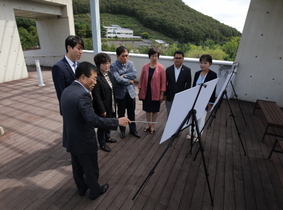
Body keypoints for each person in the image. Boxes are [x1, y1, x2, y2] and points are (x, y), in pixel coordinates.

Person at [60, 61, 130, 200]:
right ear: (82, 77)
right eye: (93, 78)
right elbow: (93, 120)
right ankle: (95, 191)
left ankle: (81, 189)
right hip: (84, 140)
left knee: (77, 166)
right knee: (90, 168)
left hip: (71, 138)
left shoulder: (67, 90)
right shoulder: (82, 95)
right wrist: (116, 121)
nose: (95, 82)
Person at [110, 46, 141, 139]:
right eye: (123, 56)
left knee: (131, 113)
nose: (125, 58)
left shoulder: (130, 63)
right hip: (120, 94)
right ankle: (122, 130)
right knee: (121, 113)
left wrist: (123, 76)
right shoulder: (113, 66)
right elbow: (117, 79)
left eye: (127, 55)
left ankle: (133, 130)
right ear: (117, 56)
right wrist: (129, 80)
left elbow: (134, 74)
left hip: (130, 93)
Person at [186, 54, 217, 141]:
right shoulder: (197, 74)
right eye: (201, 62)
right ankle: (191, 132)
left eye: (205, 63)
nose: (202, 65)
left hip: (205, 100)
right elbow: (193, 87)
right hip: (195, 99)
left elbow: (213, 89)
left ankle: (198, 135)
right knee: (193, 116)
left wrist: (210, 103)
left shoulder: (213, 75)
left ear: (210, 63)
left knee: (201, 118)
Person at [92, 53, 117, 153]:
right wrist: (102, 110)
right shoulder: (97, 77)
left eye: (108, 63)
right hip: (103, 107)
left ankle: (108, 137)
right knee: (102, 125)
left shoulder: (109, 74)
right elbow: (96, 96)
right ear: (99, 65)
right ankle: (102, 143)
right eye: (104, 63)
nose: (107, 65)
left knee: (109, 122)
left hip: (110, 104)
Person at [138, 48, 166, 134]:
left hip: (156, 93)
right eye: (153, 56)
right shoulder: (145, 67)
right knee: (147, 110)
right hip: (146, 92)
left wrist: (162, 94)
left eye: (156, 56)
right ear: (149, 57)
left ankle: (153, 125)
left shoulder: (161, 68)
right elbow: (141, 80)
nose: (154, 58)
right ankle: (148, 124)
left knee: (154, 110)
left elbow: (163, 82)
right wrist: (139, 91)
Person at [52, 35, 84, 104]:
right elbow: (61, 93)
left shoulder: (79, 65)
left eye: (81, 49)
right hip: (70, 108)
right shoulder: (59, 67)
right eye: (78, 49)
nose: (81, 52)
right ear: (69, 48)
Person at [165, 50, 191, 115]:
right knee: (169, 114)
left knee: (179, 114)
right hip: (169, 97)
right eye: (176, 58)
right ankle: (170, 125)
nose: (178, 60)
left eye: (180, 58)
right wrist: (165, 94)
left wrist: (185, 96)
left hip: (181, 97)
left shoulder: (187, 70)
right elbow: (165, 83)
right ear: (173, 59)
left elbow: (188, 85)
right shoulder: (168, 69)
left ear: (183, 59)